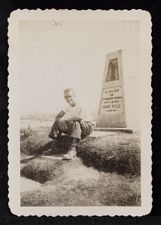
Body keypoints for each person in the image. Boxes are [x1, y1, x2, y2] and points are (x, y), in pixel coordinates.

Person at [48, 88, 95, 160]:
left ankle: (72, 150)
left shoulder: (81, 104)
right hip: (76, 127)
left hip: (87, 126)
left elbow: (79, 117)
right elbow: (58, 116)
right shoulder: (68, 106)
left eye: (70, 96)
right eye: (66, 97)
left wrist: (65, 120)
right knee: (57, 122)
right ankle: (54, 147)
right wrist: (60, 121)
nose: (68, 99)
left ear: (74, 96)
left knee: (76, 123)